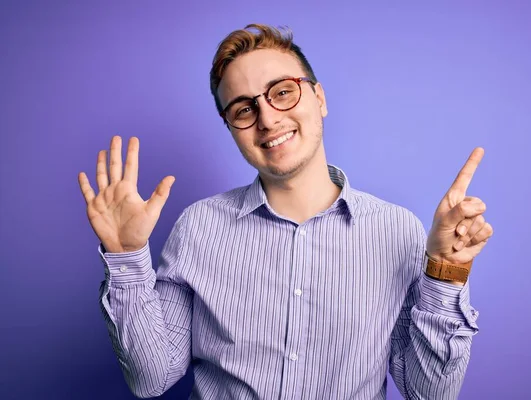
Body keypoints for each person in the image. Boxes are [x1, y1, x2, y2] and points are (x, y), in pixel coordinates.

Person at [78, 23, 493, 400]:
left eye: (282, 92)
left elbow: (431, 393)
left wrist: (445, 270)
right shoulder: (199, 226)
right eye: (243, 108)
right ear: (232, 130)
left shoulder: (396, 229)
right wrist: (126, 255)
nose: (267, 118)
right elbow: (151, 379)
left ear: (320, 97)